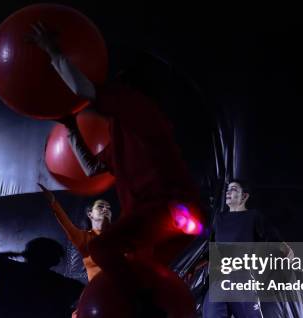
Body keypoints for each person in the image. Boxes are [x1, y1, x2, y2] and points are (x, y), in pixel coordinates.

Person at [29, 23, 202, 287]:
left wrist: (53, 52)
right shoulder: (126, 131)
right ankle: (148, 307)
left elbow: (86, 91)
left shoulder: (138, 108)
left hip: (164, 209)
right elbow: (92, 169)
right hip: (172, 216)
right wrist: (71, 127)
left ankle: (139, 304)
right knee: (143, 269)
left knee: (102, 250)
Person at [40, 184, 140, 318]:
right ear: (90, 214)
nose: (105, 209)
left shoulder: (119, 239)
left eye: (108, 208)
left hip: (119, 297)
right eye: (100, 206)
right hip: (95, 298)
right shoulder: (84, 238)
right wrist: (53, 203)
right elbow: (66, 225)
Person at [203, 180, 292, 318]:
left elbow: (273, 240)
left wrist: (286, 252)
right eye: (227, 190)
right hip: (219, 285)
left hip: (243, 283)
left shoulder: (253, 217)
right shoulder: (219, 219)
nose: (228, 193)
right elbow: (210, 250)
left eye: (234, 190)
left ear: (245, 196)